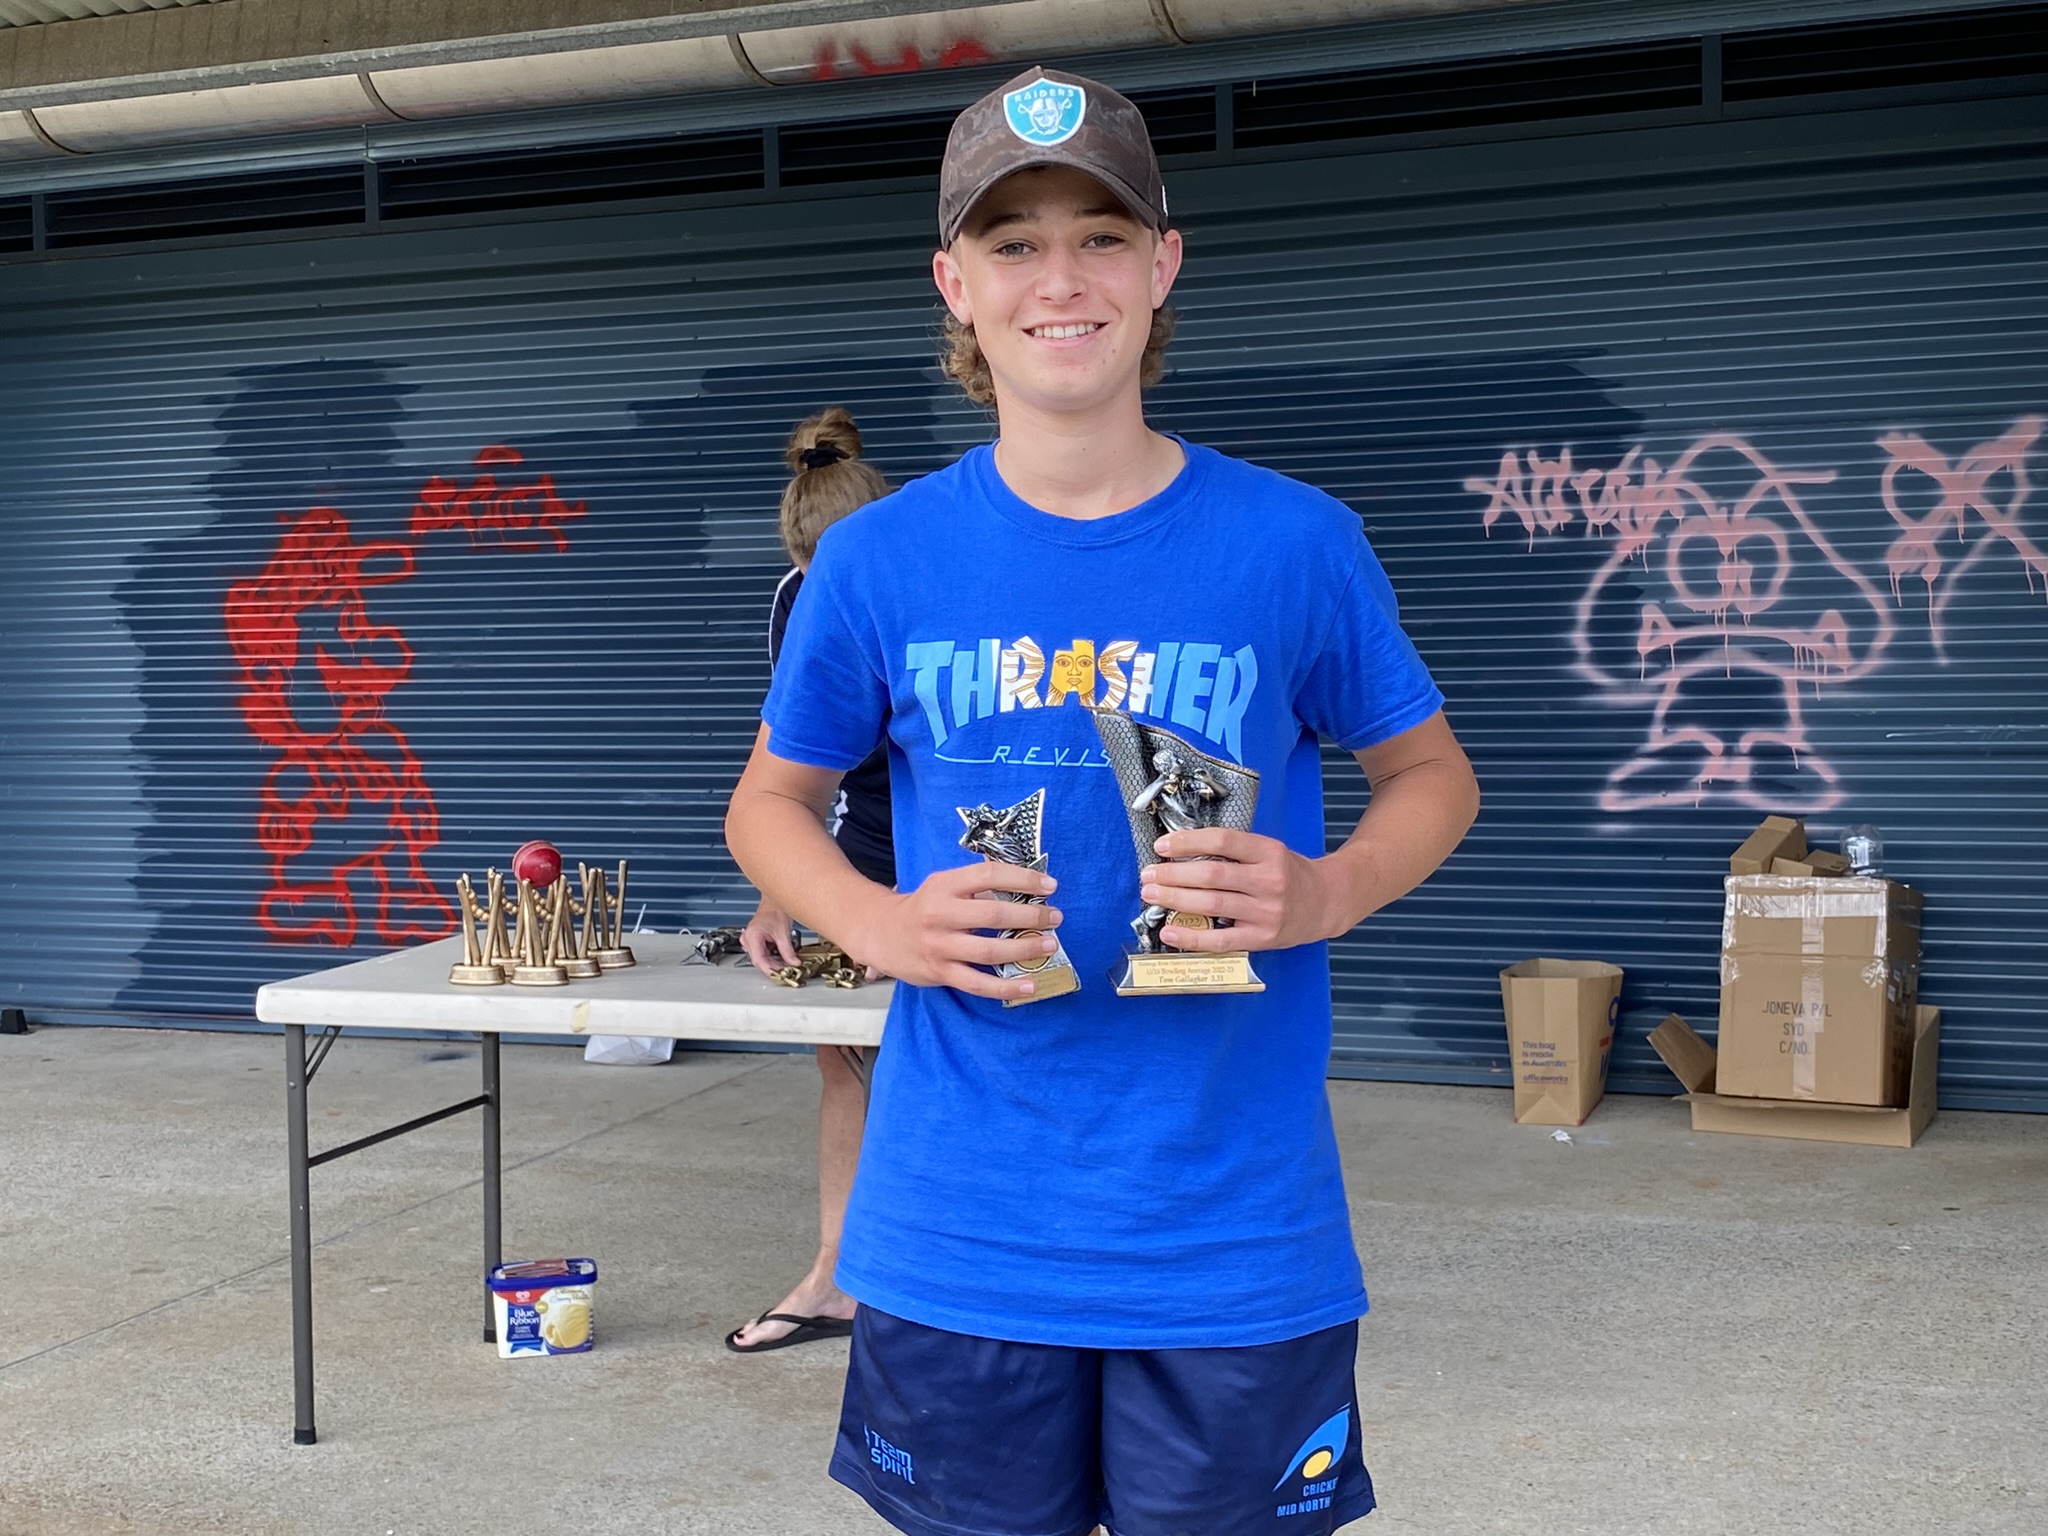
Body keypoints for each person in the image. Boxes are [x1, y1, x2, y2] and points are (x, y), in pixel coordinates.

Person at [726, 66, 1480, 1536]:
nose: (1059, 280)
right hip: (959, 1231)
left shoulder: (1295, 543)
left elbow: (1431, 776)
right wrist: (877, 923)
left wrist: (1326, 889)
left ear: (1162, 266)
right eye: (1012, 243)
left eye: (1101, 237)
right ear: (954, 283)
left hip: (1230, 1234)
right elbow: (768, 804)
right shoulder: (877, 561)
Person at [723, 407, 895, 1354]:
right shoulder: (797, 598)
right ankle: (837, 1279)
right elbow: (796, 774)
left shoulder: (925, 576)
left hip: (970, 850)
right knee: (845, 1057)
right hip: (861, 848)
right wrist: (785, 890)